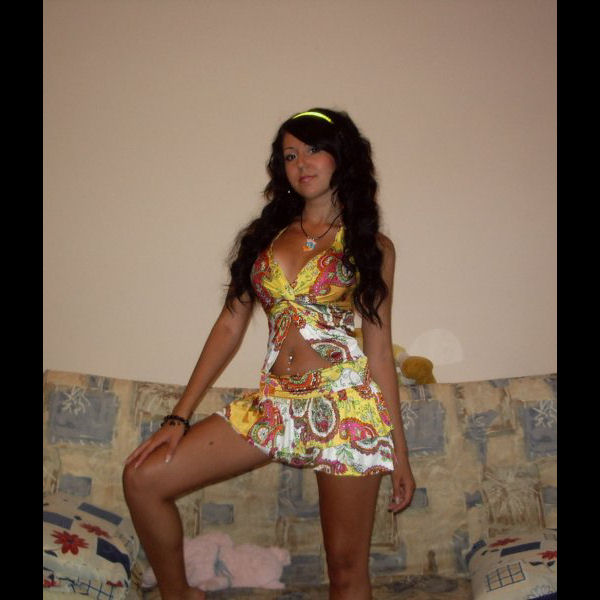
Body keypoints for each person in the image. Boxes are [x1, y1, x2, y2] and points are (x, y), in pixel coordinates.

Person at [123, 108, 416, 600]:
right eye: (290, 155)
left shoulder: (372, 247)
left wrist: (398, 454)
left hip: (346, 410)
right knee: (142, 479)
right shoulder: (265, 238)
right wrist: (178, 417)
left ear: (342, 156)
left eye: (313, 150)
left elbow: (380, 352)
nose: (301, 163)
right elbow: (229, 325)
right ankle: (180, 594)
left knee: (347, 573)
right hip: (274, 404)